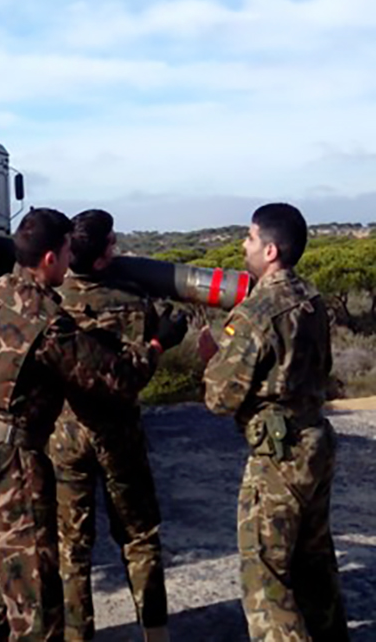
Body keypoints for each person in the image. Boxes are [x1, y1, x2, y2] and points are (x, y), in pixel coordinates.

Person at [0, 208, 187, 641]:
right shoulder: (49, 322)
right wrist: (159, 343)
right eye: (65, 252)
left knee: (16, 566)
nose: (69, 261)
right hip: (18, 457)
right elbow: (116, 377)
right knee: (38, 602)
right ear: (51, 257)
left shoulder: (0, 289)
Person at [198, 203, 348, 642]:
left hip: (278, 457)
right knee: (315, 564)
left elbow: (220, 399)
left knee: (265, 579)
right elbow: (320, 371)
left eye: (249, 238)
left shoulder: (256, 313)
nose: (243, 246)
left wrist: (212, 361)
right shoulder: (312, 299)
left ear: (270, 251)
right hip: (316, 441)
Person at [49, 210, 184, 642]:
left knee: (72, 547)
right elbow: (137, 371)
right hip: (120, 437)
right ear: (103, 256)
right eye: (112, 241)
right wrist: (161, 340)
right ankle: (155, 634)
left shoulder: (51, 299)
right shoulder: (133, 298)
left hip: (66, 436)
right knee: (140, 537)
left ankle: (77, 635)